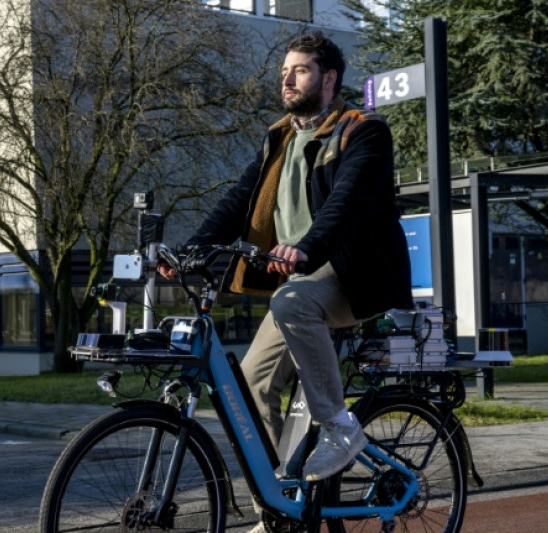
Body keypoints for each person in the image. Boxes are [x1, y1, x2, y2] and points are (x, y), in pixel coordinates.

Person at [160, 31, 412, 501]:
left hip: (352, 273)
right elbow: (239, 201)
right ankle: (282, 503)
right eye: (283, 72)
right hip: (299, 280)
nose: (287, 80)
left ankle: (340, 427)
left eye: (299, 70)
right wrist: (191, 251)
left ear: (329, 77)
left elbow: (346, 203)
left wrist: (305, 247)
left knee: (291, 300)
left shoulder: (363, 131)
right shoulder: (280, 137)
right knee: (250, 388)